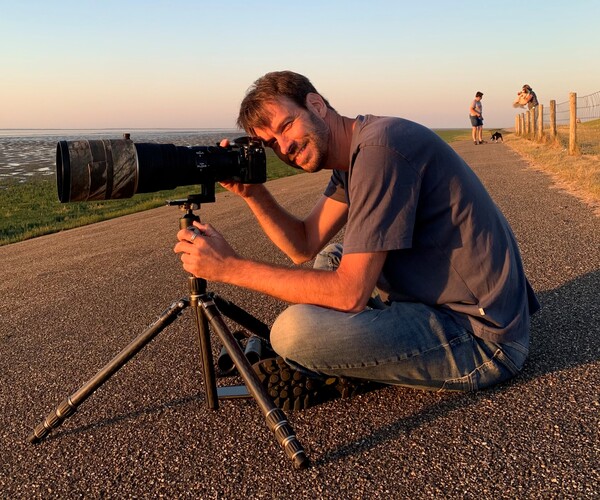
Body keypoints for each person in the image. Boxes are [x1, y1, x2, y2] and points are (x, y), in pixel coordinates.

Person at [174, 71, 540, 411]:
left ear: (316, 104)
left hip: (481, 339)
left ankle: (347, 365)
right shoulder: (357, 152)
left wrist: (230, 268)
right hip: (450, 303)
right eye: (271, 144)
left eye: (287, 125)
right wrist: (254, 194)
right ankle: (350, 355)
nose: (284, 147)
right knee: (334, 254)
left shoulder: (380, 152)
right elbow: (303, 245)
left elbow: (349, 293)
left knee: (291, 332)